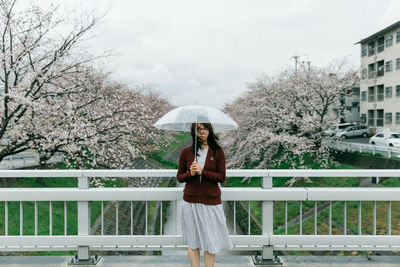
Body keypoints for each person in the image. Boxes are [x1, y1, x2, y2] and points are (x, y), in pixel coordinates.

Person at [177, 122, 232, 267]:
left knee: (211, 241)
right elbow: (180, 177)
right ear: (193, 132)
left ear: (210, 130)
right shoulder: (186, 152)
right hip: (191, 202)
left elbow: (221, 177)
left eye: (204, 129)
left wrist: (203, 172)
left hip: (211, 202)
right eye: (198, 129)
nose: (201, 132)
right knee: (193, 242)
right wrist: (191, 173)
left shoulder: (217, 152)